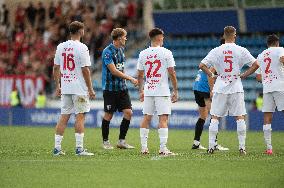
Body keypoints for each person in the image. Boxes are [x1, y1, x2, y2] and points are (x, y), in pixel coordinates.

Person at [199, 26, 259, 155]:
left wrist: (211, 74)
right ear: (235, 35)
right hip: (236, 87)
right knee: (239, 117)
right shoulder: (241, 50)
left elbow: (202, 65)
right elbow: (256, 64)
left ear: (224, 36)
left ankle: (210, 146)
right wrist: (245, 74)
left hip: (220, 87)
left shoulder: (216, 50)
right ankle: (242, 147)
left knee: (215, 117)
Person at [53, 21, 96, 156]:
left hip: (65, 86)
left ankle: (57, 148)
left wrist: (58, 85)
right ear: (81, 31)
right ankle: (79, 149)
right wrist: (90, 88)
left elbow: (55, 67)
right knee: (80, 117)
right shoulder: (82, 47)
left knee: (64, 117)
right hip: (79, 88)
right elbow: (85, 70)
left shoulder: (61, 47)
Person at [137, 28, 178, 156]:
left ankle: (144, 148)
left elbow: (140, 74)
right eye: (163, 37)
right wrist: (175, 90)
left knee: (146, 117)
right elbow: (172, 72)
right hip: (162, 90)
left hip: (149, 89)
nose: (163, 39)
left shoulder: (143, 53)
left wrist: (141, 90)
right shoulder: (166, 53)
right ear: (159, 38)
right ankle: (162, 148)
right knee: (163, 118)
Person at [101, 28, 138, 150]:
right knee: (108, 115)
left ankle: (121, 141)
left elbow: (121, 69)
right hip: (110, 89)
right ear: (119, 38)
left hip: (122, 88)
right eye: (125, 36)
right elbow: (113, 71)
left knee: (128, 113)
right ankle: (105, 142)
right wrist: (130, 78)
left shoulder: (121, 50)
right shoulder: (107, 52)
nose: (126, 38)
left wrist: (125, 80)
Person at [192, 38, 229, 151]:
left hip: (197, 86)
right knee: (214, 114)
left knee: (203, 116)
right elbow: (211, 73)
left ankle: (196, 143)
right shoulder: (221, 57)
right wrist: (212, 89)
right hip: (204, 88)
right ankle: (214, 143)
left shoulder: (214, 53)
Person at [256, 34, 284, 155]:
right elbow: (283, 59)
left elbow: (258, 77)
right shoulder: (280, 49)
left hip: (267, 88)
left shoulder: (261, 55)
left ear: (267, 44)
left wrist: (268, 79)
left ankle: (269, 148)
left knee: (267, 117)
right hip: (280, 86)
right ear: (277, 43)